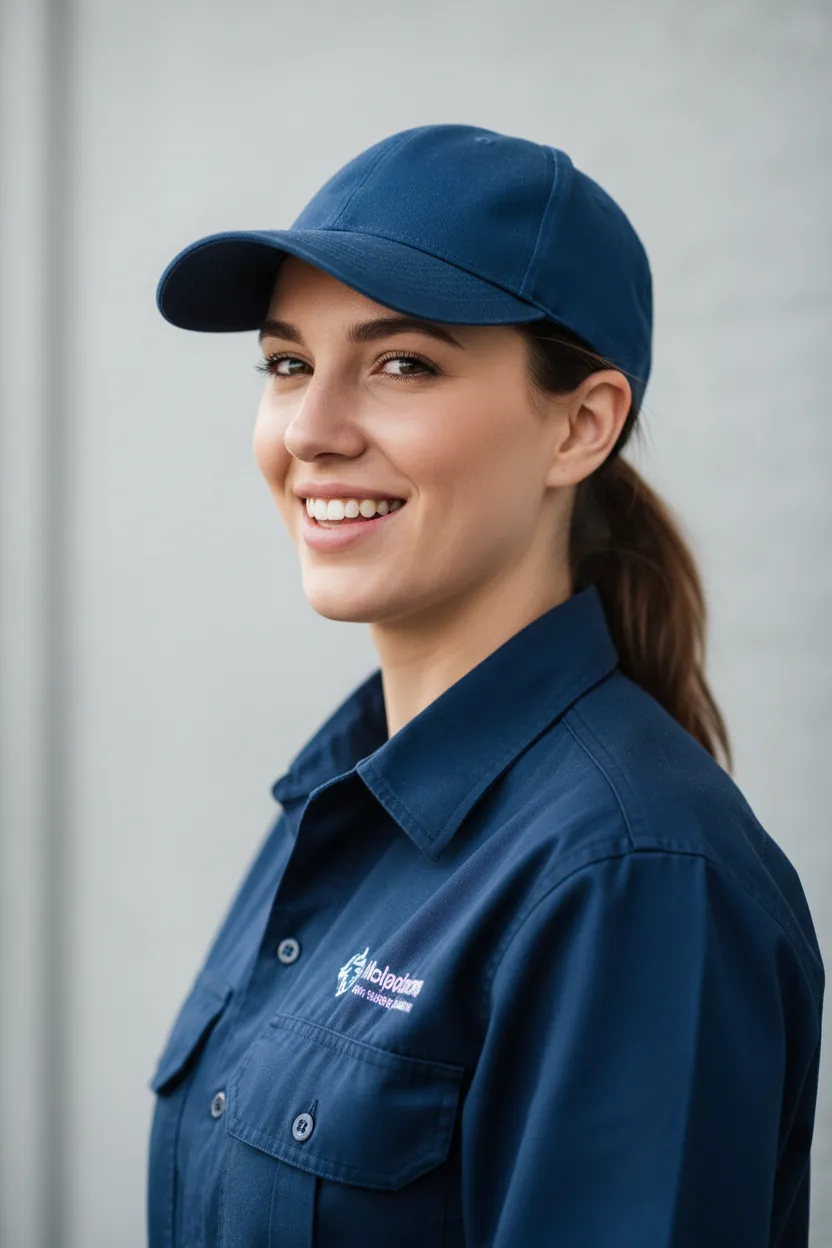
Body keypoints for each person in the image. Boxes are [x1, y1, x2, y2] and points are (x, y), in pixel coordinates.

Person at [146, 123, 824, 1247]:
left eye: (402, 364)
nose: (310, 431)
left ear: (580, 426)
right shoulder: (342, 803)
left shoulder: (635, 881)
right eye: (287, 364)